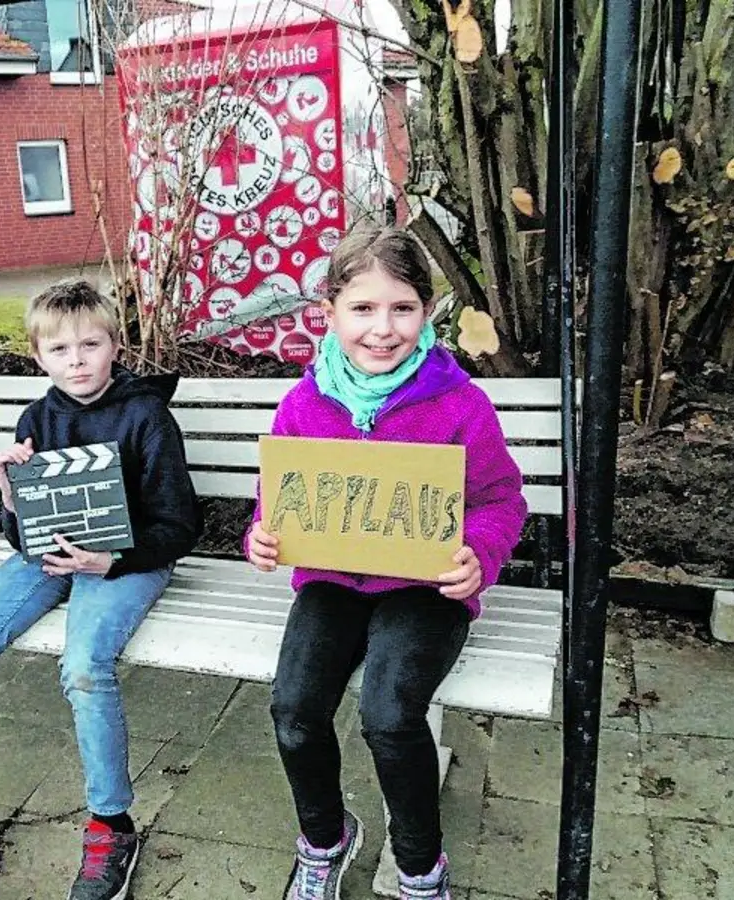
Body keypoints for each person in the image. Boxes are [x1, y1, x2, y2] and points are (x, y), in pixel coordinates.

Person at [0, 278, 202, 900]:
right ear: (38, 356)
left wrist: (114, 560)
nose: (76, 361)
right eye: (60, 350)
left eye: (90, 345)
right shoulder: (37, 418)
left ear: (114, 345)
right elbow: (22, 538)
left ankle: (112, 823)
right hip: (50, 555)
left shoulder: (146, 415)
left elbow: (179, 524)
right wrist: (10, 499)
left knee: (83, 665)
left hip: (127, 559)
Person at [245, 227, 527, 900]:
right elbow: (279, 497)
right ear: (330, 311)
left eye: (401, 308)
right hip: (333, 582)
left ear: (427, 311)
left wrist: (479, 555)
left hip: (424, 586)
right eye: (363, 309)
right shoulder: (305, 401)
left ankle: (420, 866)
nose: (382, 328)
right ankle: (324, 839)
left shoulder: (460, 403)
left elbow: (499, 500)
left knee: (389, 714)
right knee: (293, 707)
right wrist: (263, 534)